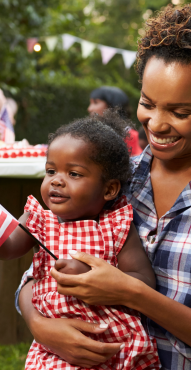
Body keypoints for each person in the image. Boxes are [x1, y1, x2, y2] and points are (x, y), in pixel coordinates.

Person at [17, 4, 191, 369]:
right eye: (148, 104)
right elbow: (41, 265)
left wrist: (131, 292)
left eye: (181, 112)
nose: (157, 124)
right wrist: (40, 325)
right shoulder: (116, 180)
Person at [0, 110, 160, 369]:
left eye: (74, 174)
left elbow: (144, 281)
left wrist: (92, 272)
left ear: (109, 189)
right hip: (54, 348)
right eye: (51, 171)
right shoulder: (38, 219)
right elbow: (6, 247)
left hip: (109, 342)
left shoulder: (115, 226)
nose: (57, 181)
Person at [88, 86, 142, 156]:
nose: (89, 108)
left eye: (95, 103)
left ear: (112, 106)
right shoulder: (91, 133)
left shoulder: (130, 135)